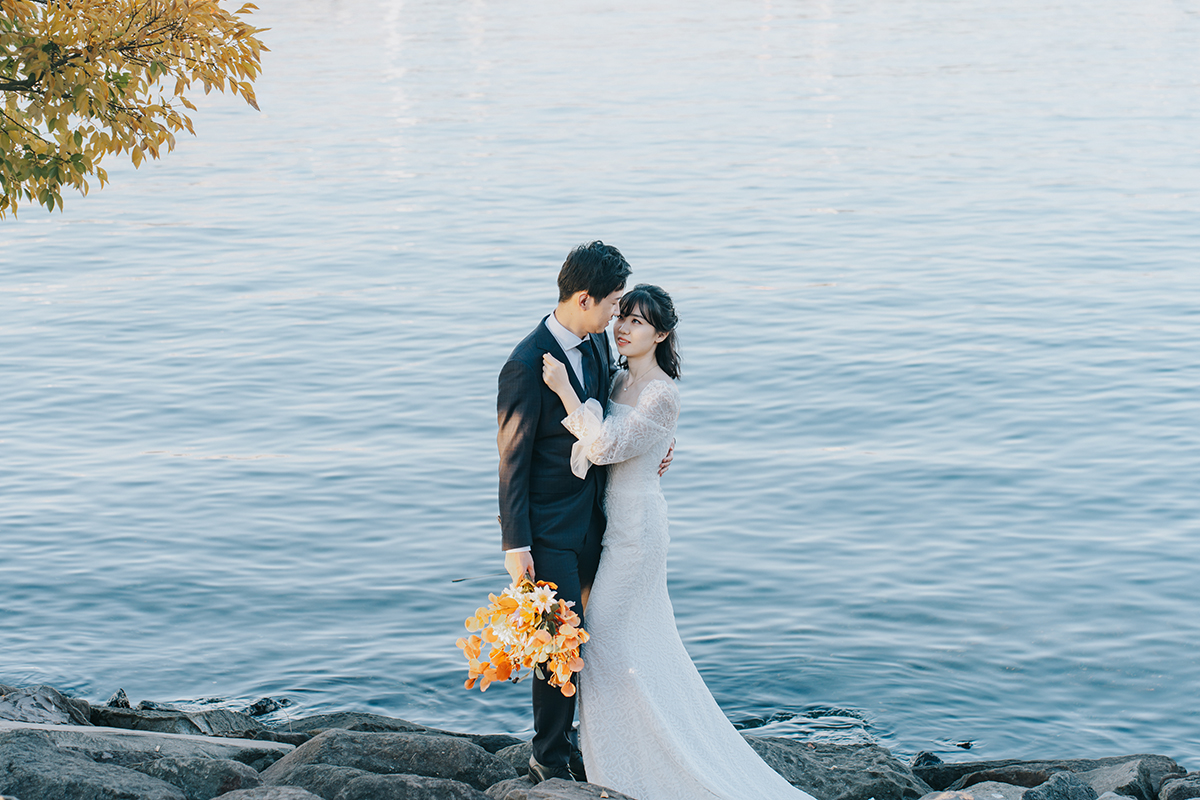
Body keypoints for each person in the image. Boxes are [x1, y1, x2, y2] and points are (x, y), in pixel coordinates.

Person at [541, 284, 816, 800]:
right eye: (622, 316)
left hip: (638, 534)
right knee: (632, 646)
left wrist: (564, 392)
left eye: (638, 323)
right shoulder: (619, 376)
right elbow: (625, 441)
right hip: (610, 531)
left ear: (661, 334)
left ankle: (639, 771)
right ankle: (629, 759)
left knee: (601, 643)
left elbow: (602, 446)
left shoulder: (662, 393)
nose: (622, 328)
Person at [496, 242, 673, 783]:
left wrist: (653, 445)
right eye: (613, 302)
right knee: (558, 642)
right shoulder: (525, 365)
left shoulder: (597, 345)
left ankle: (593, 740)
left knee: (599, 639)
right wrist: (516, 546)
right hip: (548, 531)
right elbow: (512, 461)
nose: (618, 315)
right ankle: (548, 756)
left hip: (602, 520)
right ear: (583, 297)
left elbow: (615, 422)